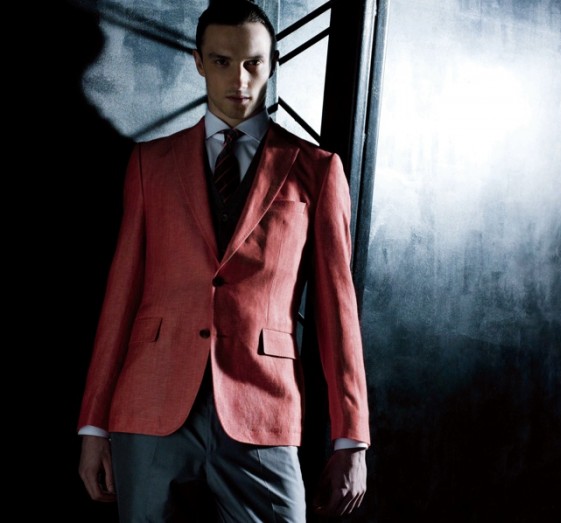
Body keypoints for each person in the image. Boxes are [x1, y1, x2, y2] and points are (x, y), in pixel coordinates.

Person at [77, 1, 370, 521]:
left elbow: (338, 313)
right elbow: (120, 298)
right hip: (150, 403)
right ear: (198, 62)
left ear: (273, 63)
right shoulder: (150, 164)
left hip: (263, 406)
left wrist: (352, 439)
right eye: (221, 61)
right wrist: (93, 425)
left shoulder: (317, 170)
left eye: (253, 63)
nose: (239, 79)